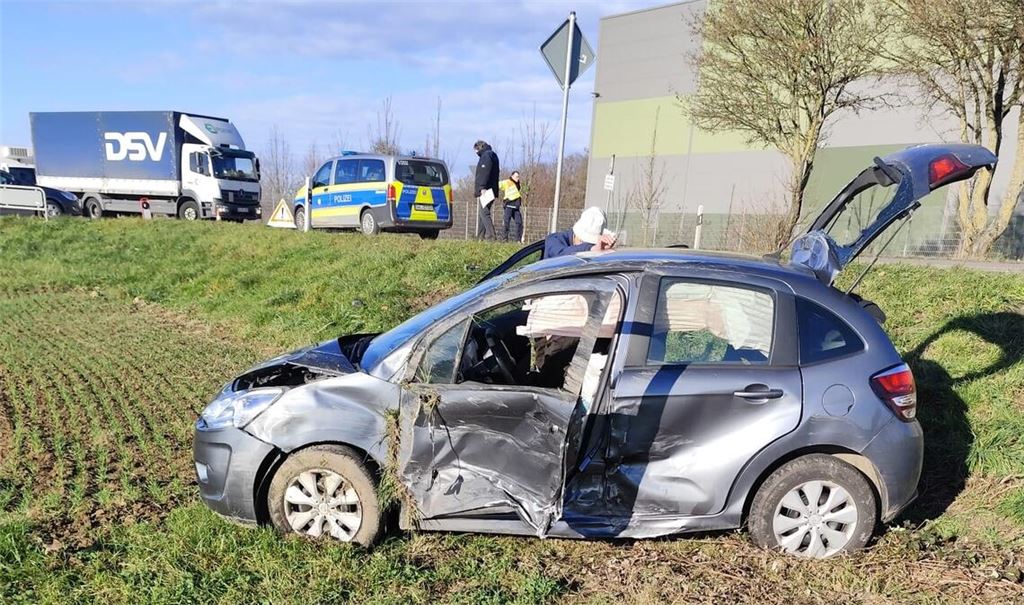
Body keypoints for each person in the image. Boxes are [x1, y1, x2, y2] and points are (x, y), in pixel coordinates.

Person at [544, 206, 617, 258]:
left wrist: (603, 252)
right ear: (577, 235)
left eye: (592, 243)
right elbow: (560, 254)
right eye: (585, 242)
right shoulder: (554, 239)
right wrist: (590, 249)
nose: (586, 245)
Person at [473, 140, 499, 240]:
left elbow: (484, 172)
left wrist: (482, 187)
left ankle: (491, 236)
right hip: (492, 189)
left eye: (476, 150)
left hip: (487, 189)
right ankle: (480, 236)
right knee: (482, 213)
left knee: (484, 213)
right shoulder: (492, 154)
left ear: (480, 147)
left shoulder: (486, 156)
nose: (476, 153)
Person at [498, 170, 524, 242]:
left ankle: (518, 240)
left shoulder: (518, 184)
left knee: (519, 223)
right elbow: (499, 185)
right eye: (516, 177)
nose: (517, 178)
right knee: (506, 222)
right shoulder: (507, 182)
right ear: (512, 176)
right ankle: (504, 239)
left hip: (516, 207)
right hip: (509, 205)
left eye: (518, 177)